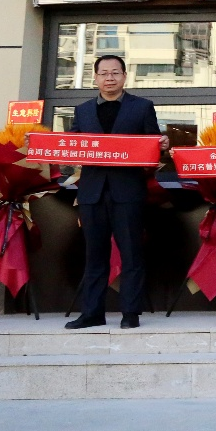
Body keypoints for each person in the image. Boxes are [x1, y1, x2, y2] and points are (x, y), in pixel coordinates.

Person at [66, 55, 169, 330]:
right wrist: (40, 144)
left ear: (124, 76)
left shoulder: (142, 107)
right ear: (95, 78)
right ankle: (92, 313)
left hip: (128, 191)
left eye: (115, 73)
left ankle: (130, 313)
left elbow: (152, 145)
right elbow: (71, 145)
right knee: (94, 256)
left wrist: (162, 145)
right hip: (92, 193)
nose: (109, 78)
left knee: (131, 255)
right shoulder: (83, 110)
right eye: (103, 73)